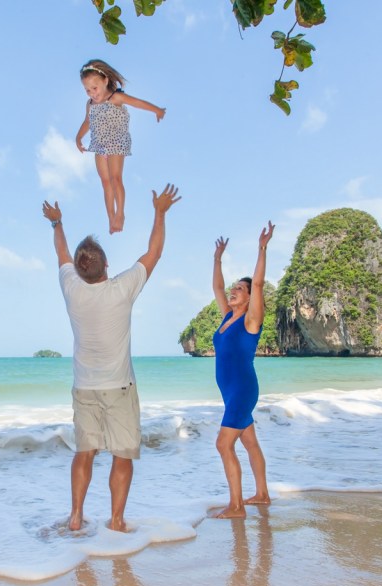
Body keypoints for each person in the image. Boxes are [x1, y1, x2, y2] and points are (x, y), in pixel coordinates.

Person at [41, 183, 181, 532]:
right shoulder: (122, 289)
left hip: (84, 388)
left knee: (84, 452)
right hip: (118, 387)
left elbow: (60, 254)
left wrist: (57, 223)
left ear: (78, 269)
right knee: (122, 454)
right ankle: (116, 521)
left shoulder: (70, 289)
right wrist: (160, 212)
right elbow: (155, 252)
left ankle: (76, 517)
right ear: (107, 266)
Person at [210, 223, 275, 519]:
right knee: (248, 442)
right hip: (231, 393)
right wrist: (217, 259)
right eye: (234, 287)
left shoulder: (251, 321)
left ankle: (236, 506)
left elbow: (258, 284)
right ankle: (262, 494)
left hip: (242, 391)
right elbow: (215, 287)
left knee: (223, 444)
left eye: (240, 289)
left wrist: (262, 248)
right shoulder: (227, 317)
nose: (233, 291)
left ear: (250, 298)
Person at [74, 59, 166, 234]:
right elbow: (88, 121)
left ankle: (120, 214)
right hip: (99, 145)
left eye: (95, 88)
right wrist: (78, 137)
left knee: (115, 178)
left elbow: (137, 103)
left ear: (105, 81)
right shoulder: (90, 105)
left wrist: (157, 110)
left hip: (116, 142)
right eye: (87, 90)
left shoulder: (115, 97)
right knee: (105, 182)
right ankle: (111, 219)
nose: (92, 93)